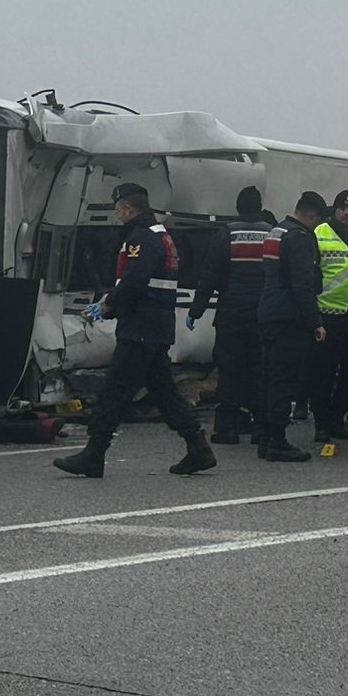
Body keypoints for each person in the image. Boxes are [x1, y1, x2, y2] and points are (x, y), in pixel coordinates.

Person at [57, 184, 216, 480]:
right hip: (155, 325)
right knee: (165, 393)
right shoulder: (160, 235)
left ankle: (94, 454)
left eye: (119, 211)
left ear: (128, 209)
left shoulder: (141, 238)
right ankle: (198, 447)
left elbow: (134, 281)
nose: (118, 217)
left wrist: (105, 307)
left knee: (115, 390)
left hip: (141, 327)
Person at [189, 186, 268, 445]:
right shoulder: (272, 234)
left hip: (231, 313)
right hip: (262, 314)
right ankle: (261, 428)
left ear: (238, 207)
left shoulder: (227, 233)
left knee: (230, 371)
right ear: (259, 206)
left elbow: (209, 274)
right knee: (259, 371)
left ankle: (228, 428)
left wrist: (196, 310)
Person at [256, 192, 327, 461]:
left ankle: (265, 437)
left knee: (268, 376)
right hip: (289, 316)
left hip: (269, 310)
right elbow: (302, 283)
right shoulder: (299, 237)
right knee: (283, 379)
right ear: (310, 215)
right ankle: (277, 440)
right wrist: (315, 322)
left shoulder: (276, 232)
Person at [308, 189, 348, 442]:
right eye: (342, 207)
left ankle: (337, 418)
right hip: (326, 313)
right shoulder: (319, 233)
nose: (346, 213)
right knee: (322, 373)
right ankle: (321, 423)